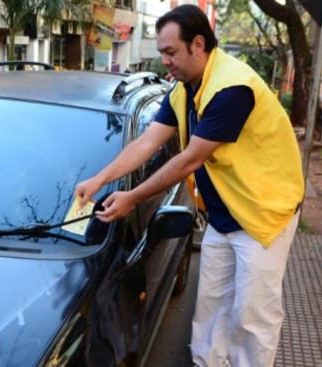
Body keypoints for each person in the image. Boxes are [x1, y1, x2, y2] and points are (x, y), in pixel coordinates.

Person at [75, 5, 304, 367]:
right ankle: (206, 363)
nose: (164, 60)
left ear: (198, 44)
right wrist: (99, 179)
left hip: (263, 213)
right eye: (162, 52)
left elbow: (188, 160)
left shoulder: (232, 89)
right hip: (225, 213)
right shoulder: (184, 89)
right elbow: (147, 143)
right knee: (211, 303)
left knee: (252, 315)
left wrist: (133, 197)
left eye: (170, 52)